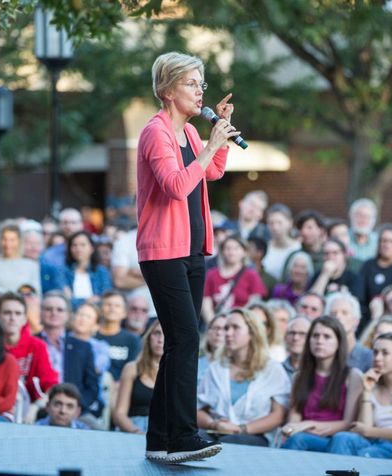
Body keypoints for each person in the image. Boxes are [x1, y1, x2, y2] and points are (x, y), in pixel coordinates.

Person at [136, 51, 238, 464]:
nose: (200, 92)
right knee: (185, 339)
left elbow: (211, 173)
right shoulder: (155, 132)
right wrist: (209, 145)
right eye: (192, 83)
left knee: (180, 342)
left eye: (202, 84)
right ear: (167, 90)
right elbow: (177, 186)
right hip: (162, 251)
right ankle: (182, 435)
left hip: (193, 250)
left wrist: (220, 141)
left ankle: (159, 438)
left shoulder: (192, 135)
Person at [197, 308, 291, 447]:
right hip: (217, 432)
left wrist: (241, 429)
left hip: (255, 436)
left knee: (228, 444)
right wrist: (214, 424)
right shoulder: (216, 368)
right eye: (226, 328)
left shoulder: (272, 369)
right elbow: (197, 409)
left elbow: (279, 415)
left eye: (235, 328)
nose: (227, 333)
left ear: (252, 332)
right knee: (191, 438)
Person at [328, 333, 392, 458]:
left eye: (385, 353)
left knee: (366, 454)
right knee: (341, 438)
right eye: (375, 352)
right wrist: (366, 391)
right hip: (374, 442)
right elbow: (363, 429)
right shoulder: (371, 385)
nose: (377, 358)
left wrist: (371, 431)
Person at [281, 316, 364, 452]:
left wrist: (308, 424)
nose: (319, 341)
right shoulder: (299, 376)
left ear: (339, 342)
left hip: (336, 440)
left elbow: (349, 423)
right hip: (304, 436)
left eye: (327, 337)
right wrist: (293, 428)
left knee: (300, 440)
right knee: (295, 439)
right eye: (315, 336)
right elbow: (294, 420)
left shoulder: (353, 376)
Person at [0, 292, 59, 420]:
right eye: (7, 313)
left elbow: (51, 386)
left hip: (30, 412)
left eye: (18, 313)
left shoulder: (37, 346)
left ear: (25, 318)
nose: (12, 318)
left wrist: (36, 407)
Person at [38, 291, 100, 417]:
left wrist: (75, 407)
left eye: (59, 310)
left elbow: (92, 388)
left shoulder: (83, 347)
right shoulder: (30, 342)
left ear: (68, 315)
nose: (54, 313)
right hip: (37, 409)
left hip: (76, 412)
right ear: (40, 313)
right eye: (48, 309)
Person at [358, 224, 392, 334]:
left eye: (391, 241)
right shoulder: (368, 266)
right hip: (374, 318)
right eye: (383, 241)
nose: (386, 245)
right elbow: (360, 297)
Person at [202, 234, 267, 323]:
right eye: (228, 248)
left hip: (243, 323)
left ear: (244, 252)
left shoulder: (251, 274)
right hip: (217, 322)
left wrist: (241, 321)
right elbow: (206, 302)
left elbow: (254, 303)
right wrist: (214, 323)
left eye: (236, 248)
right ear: (222, 251)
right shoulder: (211, 274)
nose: (231, 252)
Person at [113, 321, 164, 433]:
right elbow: (119, 413)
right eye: (157, 333)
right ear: (149, 336)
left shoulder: (177, 374)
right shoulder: (132, 368)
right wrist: (136, 431)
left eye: (166, 334)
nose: (160, 340)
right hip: (134, 428)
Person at [0, 224, 41, 300]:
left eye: (12, 240)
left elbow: (36, 296)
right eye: (5, 239)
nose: (8, 244)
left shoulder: (31, 266)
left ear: (19, 241)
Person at [96, 291, 141, 382]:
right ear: (100, 309)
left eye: (117, 306)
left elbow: (133, 373)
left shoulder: (132, 340)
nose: (112, 308)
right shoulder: (91, 336)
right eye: (108, 304)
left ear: (124, 313)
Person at [62, 231, 112, 310]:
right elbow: (65, 301)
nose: (78, 249)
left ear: (91, 248)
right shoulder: (63, 271)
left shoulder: (101, 271)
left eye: (83, 245)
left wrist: (75, 301)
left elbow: (105, 297)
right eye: (74, 245)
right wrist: (87, 300)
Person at [326, 292, 373, 372]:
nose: (338, 317)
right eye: (333, 314)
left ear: (356, 320)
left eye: (344, 313)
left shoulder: (369, 357)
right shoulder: (321, 354)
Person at [263, 204, 301, 281]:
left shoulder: (299, 248)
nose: (275, 227)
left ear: (290, 223)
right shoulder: (264, 248)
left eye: (279, 223)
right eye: (271, 223)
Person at [198, 313, 227, 383]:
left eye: (225, 329)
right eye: (216, 328)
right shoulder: (196, 362)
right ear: (208, 331)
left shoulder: (234, 366)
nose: (219, 333)